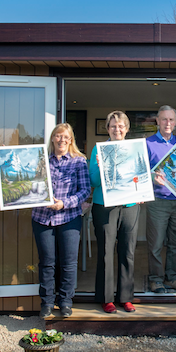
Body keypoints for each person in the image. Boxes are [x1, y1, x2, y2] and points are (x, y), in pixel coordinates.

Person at [31, 123, 91, 319]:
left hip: (69, 217)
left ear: (71, 140)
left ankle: (65, 301)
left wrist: (64, 203)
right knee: (47, 262)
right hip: (42, 218)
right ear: (52, 139)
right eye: (58, 136)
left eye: (65, 137)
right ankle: (47, 302)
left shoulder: (79, 162)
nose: (61, 140)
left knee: (68, 263)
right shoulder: (40, 161)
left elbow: (84, 191)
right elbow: (25, 184)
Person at [89, 111, 140, 313]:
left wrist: (141, 188)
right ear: (107, 128)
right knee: (105, 253)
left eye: (120, 126)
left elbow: (140, 176)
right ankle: (106, 298)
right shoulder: (98, 150)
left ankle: (125, 297)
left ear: (126, 129)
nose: (116, 129)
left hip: (130, 206)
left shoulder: (135, 149)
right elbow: (93, 181)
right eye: (113, 126)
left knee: (127, 252)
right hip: (105, 206)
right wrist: (102, 168)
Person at [145, 105, 176, 293]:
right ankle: (156, 279)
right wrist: (153, 176)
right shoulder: (147, 144)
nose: (167, 123)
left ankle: (173, 277)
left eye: (171, 120)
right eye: (164, 119)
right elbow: (140, 172)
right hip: (157, 200)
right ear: (157, 121)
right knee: (155, 243)